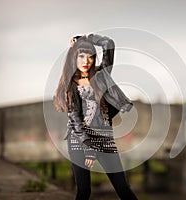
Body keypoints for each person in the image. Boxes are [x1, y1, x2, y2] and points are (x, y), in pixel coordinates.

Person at [54, 33, 138, 200]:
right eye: (81, 56)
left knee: (123, 189)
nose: (86, 61)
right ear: (74, 58)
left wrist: (86, 38)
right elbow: (76, 121)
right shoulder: (70, 85)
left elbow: (108, 43)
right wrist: (89, 148)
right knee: (84, 192)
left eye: (90, 56)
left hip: (104, 137)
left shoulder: (101, 75)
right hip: (80, 140)